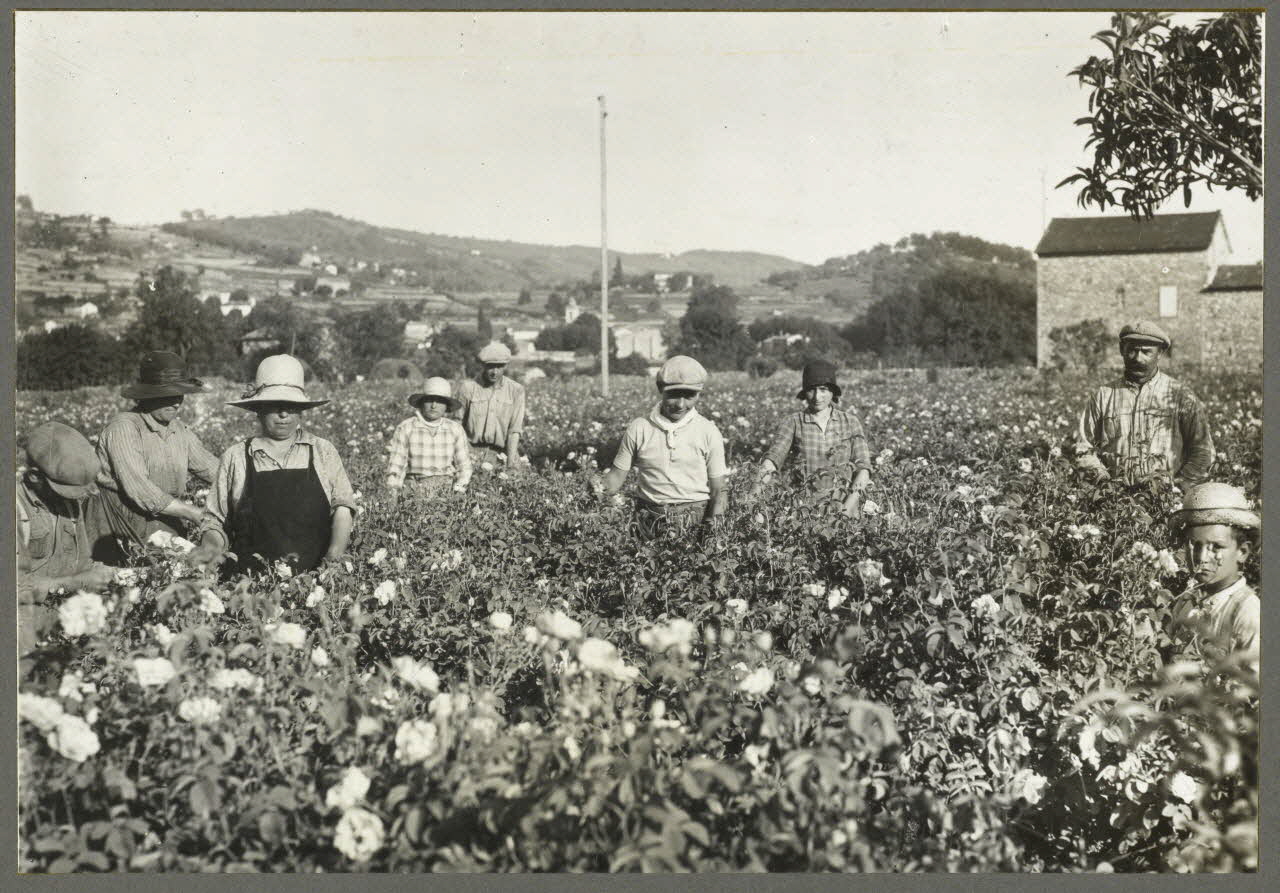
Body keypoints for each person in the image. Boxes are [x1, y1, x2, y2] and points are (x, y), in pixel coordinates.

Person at [189, 355, 355, 575]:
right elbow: (215, 522)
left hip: (314, 583)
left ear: (302, 410)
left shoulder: (322, 451)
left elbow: (343, 509)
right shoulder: (237, 457)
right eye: (276, 406)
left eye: (292, 406)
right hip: (249, 588)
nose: (284, 414)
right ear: (258, 409)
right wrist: (210, 554)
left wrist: (333, 558)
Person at [84, 350, 219, 564]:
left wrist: (246, 486)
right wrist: (193, 513)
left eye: (180, 395)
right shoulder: (124, 428)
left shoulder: (178, 430)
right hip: (118, 520)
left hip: (164, 518)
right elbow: (139, 489)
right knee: (127, 583)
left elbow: (213, 469)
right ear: (147, 395)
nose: (177, 403)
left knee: (176, 577)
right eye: (169, 396)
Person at [598, 355, 728, 539]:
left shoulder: (708, 431)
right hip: (648, 520)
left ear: (699, 393)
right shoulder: (640, 427)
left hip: (694, 520)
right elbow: (615, 478)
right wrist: (593, 488)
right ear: (660, 389)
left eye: (689, 396)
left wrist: (714, 532)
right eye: (674, 394)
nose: (681, 404)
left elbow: (718, 490)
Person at [1074, 321, 1214, 488]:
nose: (1138, 358)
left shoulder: (1181, 396)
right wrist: (1105, 484)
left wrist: (1179, 487)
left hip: (1167, 501)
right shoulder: (1103, 396)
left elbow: (1204, 451)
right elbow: (1084, 449)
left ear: (1160, 353)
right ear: (1121, 350)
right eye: (1132, 350)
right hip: (1114, 505)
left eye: (1146, 352)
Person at [17, 422, 116, 654]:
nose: (72, 499)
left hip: (60, 622)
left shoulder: (68, 506)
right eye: (64, 491)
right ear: (34, 477)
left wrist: (116, 575)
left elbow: (82, 563)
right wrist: (78, 582)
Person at [752, 359, 872, 516]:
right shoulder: (793, 422)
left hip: (845, 510)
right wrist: (753, 500)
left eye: (823, 389)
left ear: (832, 392)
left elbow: (863, 468)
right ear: (804, 392)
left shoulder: (850, 422)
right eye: (811, 390)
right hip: (805, 512)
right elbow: (772, 461)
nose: (817, 397)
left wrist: (846, 510)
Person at [1168, 482, 1259, 665]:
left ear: (1242, 551)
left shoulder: (1247, 611)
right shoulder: (1186, 601)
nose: (1202, 557)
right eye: (1195, 545)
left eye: (1216, 547)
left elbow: (1256, 686)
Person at [385, 377, 473, 501]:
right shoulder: (406, 428)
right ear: (421, 402)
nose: (433, 406)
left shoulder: (455, 429)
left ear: (447, 406)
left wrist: (458, 491)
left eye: (440, 401)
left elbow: (464, 467)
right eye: (429, 400)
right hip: (413, 492)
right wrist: (393, 495)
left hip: (445, 493)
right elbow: (396, 467)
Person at [455, 342, 526, 468]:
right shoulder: (468, 388)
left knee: (516, 480)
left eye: (499, 367)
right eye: (490, 367)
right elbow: (456, 425)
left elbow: (514, 431)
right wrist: (467, 452)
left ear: (505, 366)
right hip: (472, 450)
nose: (494, 372)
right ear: (483, 365)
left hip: (503, 452)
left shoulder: (516, 390)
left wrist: (510, 464)